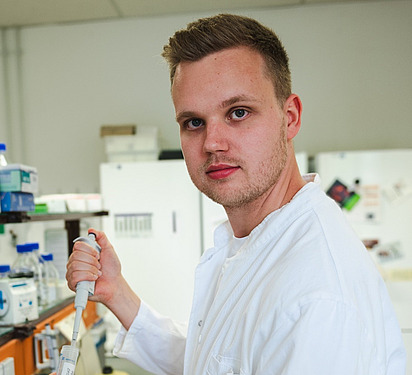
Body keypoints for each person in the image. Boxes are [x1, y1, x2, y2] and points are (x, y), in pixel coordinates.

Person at [66, 14, 406, 374]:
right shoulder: (259, 240)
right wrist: (116, 292)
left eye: (238, 112)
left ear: (289, 118)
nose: (212, 142)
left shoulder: (317, 297)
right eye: (194, 122)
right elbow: (215, 361)